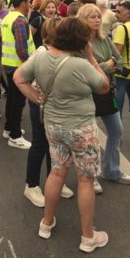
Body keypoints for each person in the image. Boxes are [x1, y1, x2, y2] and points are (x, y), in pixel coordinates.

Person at [14, 17, 110, 253]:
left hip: (53, 124)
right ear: (80, 40)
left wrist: (37, 99)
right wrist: (90, 57)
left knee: (57, 171)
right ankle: (88, 236)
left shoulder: (41, 55)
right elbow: (104, 86)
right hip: (80, 127)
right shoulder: (81, 64)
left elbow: (18, 78)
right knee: (85, 179)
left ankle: (46, 223)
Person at [21, 16, 75, 207]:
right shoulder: (42, 52)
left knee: (57, 146)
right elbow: (21, 76)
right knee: (40, 144)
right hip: (42, 107)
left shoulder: (64, 52)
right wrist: (35, 98)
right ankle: (32, 185)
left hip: (58, 106)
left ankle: (55, 182)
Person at [78, 4, 127, 192]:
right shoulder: (79, 44)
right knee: (91, 137)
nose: (97, 20)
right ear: (83, 19)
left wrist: (102, 66)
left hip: (107, 92)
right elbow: (85, 70)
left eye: (98, 16)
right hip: (87, 94)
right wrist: (107, 66)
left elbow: (120, 61)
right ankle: (92, 175)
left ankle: (112, 170)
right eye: (92, 17)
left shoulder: (104, 39)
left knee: (117, 130)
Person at [1, 0, 35, 150]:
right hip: (19, 66)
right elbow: (22, 49)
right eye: (29, 2)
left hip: (8, 64)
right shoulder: (20, 21)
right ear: (23, 3)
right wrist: (29, 65)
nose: (31, 5)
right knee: (18, 102)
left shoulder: (8, 16)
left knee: (12, 100)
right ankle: (15, 136)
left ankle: (9, 128)